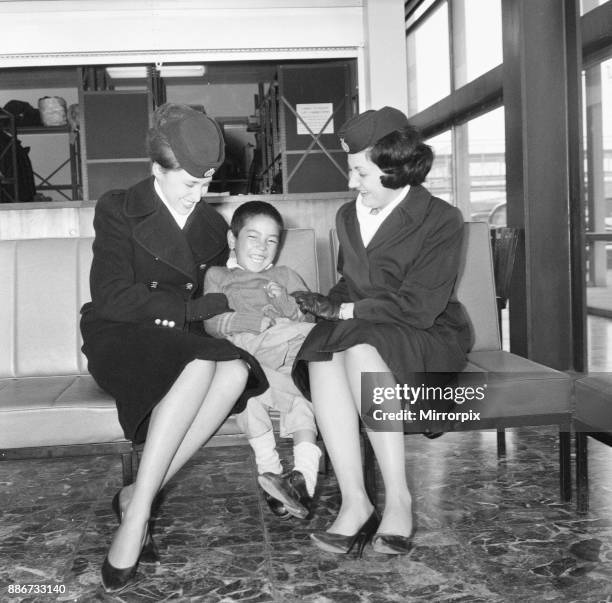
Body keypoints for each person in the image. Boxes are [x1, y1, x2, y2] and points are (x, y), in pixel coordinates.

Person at [80, 103, 268, 592]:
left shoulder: (208, 228)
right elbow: (112, 297)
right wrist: (189, 311)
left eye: (207, 183)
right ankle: (139, 514)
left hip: (177, 341)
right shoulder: (118, 208)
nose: (200, 194)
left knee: (232, 372)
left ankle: (136, 496)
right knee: (199, 365)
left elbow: (211, 300)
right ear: (156, 170)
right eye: (189, 183)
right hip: (119, 334)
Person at [291, 107, 472, 556]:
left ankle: (399, 499)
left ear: (394, 170)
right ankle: (355, 502)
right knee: (324, 352)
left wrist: (345, 308)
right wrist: (321, 302)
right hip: (369, 327)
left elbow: (420, 306)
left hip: (427, 334)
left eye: (361, 173)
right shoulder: (347, 216)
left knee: (356, 348)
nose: (353, 183)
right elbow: (349, 282)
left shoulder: (441, 219)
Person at [203, 201, 321, 520]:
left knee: (293, 383)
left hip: (285, 348)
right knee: (252, 388)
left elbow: (307, 316)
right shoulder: (218, 276)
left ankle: (298, 478)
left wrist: (284, 302)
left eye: (271, 240)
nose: (262, 247)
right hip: (246, 350)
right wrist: (249, 322)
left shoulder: (285, 274)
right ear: (232, 240)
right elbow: (211, 323)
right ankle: (272, 469)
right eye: (253, 237)